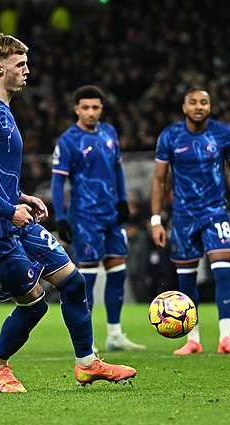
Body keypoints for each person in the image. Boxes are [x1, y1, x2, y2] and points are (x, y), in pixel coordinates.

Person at [0, 32, 136, 393]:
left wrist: (22, 196)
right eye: (20, 64)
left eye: (26, 63)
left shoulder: (4, 112)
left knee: (73, 281)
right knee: (34, 305)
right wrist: (9, 209)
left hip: (13, 219)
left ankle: (87, 364)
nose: (27, 70)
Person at [150, 88, 230, 355]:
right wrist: (156, 219)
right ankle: (193, 339)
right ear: (184, 107)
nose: (198, 106)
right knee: (187, 280)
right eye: (193, 102)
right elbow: (159, 179)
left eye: (204, 102)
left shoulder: (223, 134)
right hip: (183, 217)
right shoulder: (170, 136)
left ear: (210, 106)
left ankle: (225, 338)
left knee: (223, 271)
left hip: (216, 212)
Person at [51, 85, 145, 353]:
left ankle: (115, 334)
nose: (91, 112)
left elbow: (117, 169)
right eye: (86, 108)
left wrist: (124, 200)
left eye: (95, 107)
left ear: (101, 108)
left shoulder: (109, 132)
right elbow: (58, 182)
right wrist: (62, 218)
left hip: (111, 215)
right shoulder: (68, 140)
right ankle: (87, 340)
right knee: (87, 278)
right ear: (76, 109)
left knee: (118, 271)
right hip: (85, 217)